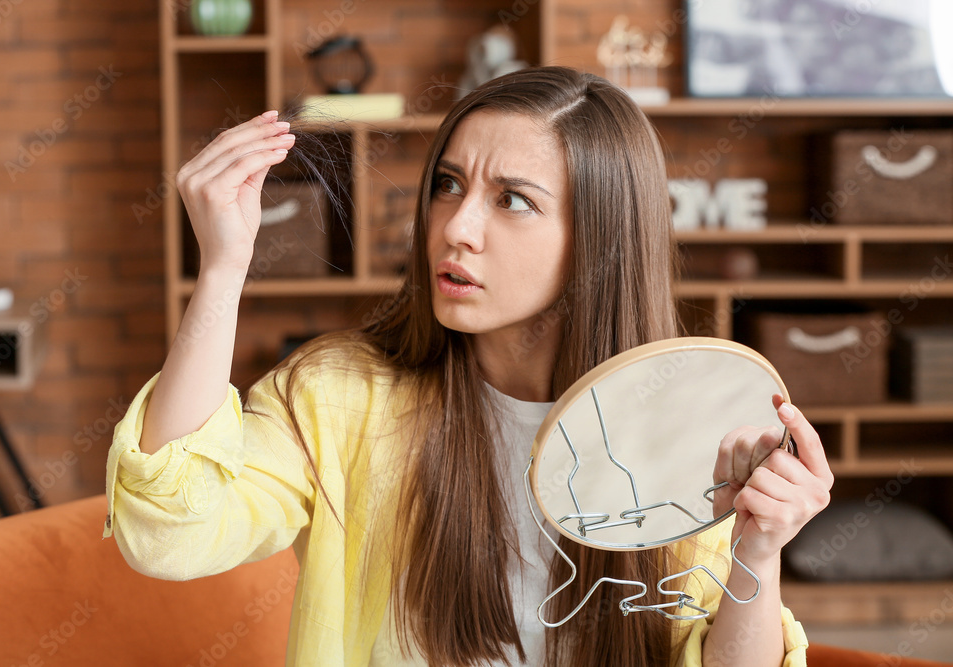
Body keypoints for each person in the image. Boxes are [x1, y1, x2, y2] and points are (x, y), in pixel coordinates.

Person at [103, 66, 832, 666]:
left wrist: (757, 552)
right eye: (449, 185)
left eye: (513, 200)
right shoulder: (342, 397)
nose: (456, 227)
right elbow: (167, 528)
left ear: (600, 239)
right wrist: (225, 267)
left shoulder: (684, 431)